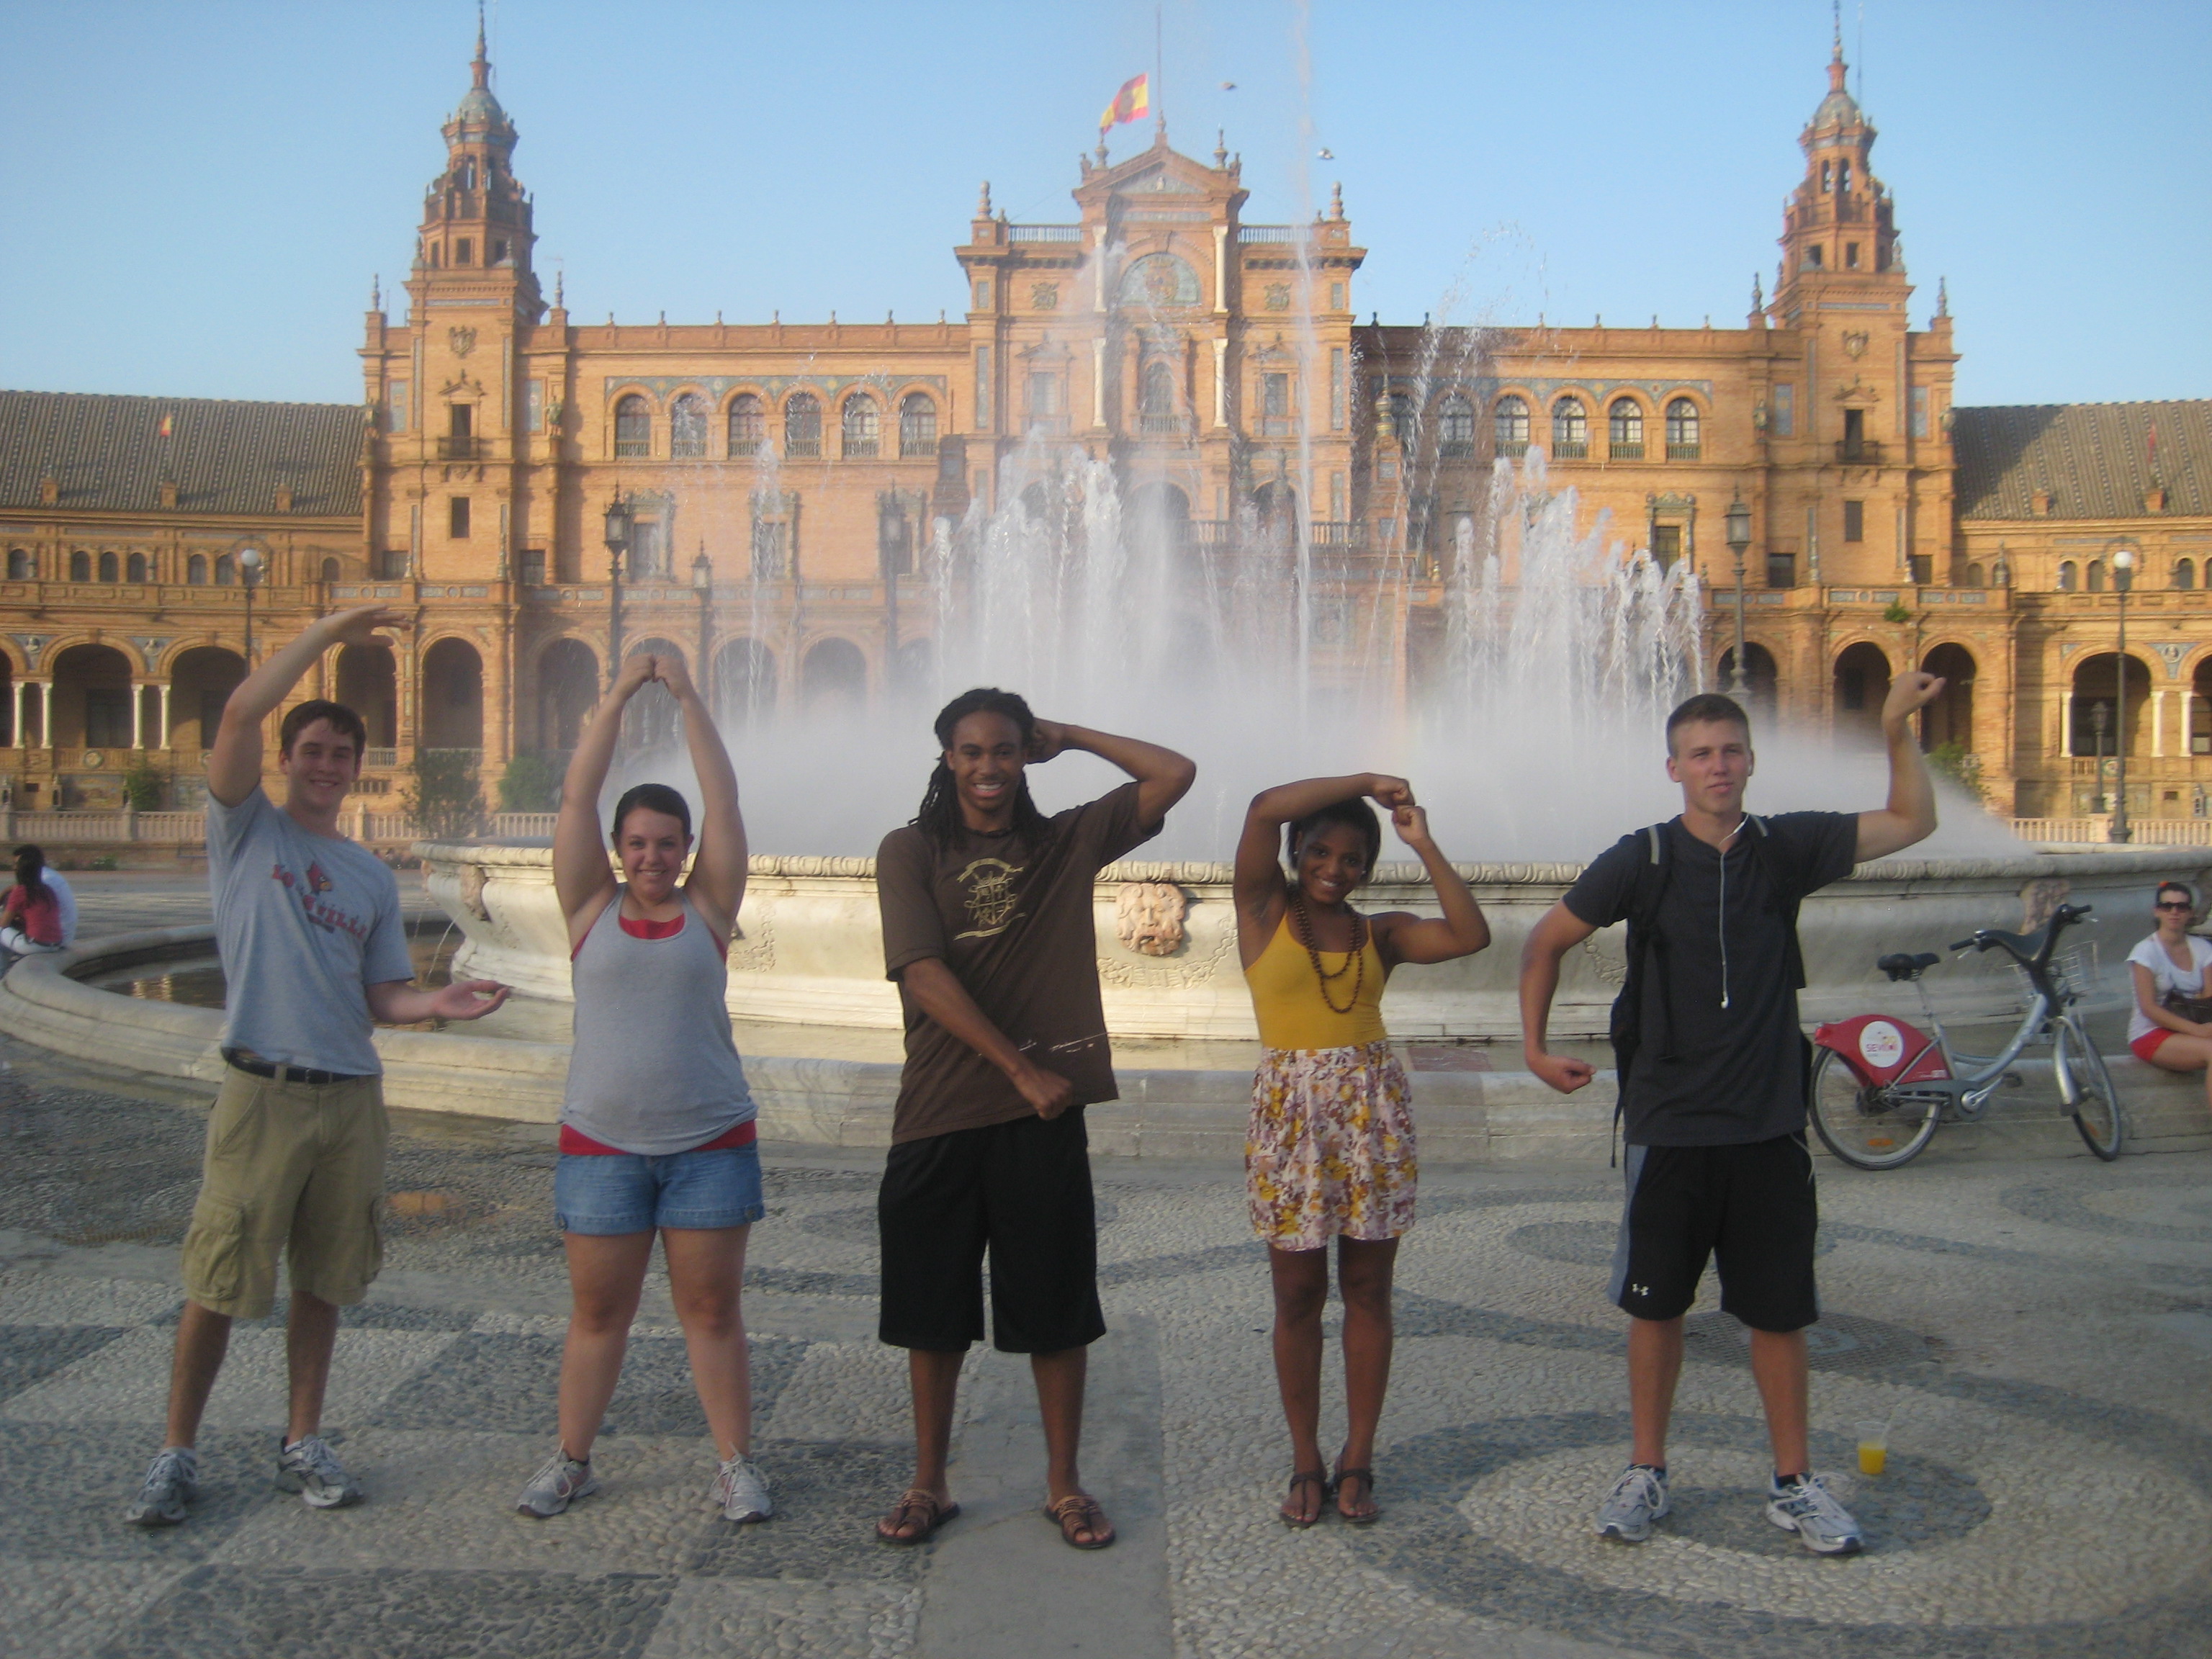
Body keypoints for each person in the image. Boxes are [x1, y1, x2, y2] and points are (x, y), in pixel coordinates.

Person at [1518, 677, 1941, 1556]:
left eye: (1732, 751)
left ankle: (1793, 1483)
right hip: (1670, 1122)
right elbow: (1546, 940)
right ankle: (1647, 1470)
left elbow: (1913, 821)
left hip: (1765, 1123)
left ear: (1751, 763)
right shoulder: (1644, 857)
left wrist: (1897, 728)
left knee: (1780, 1314)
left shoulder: (1786, 848)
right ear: (1673, 768)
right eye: (1701, 753)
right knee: (1655, 1308)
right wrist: (1534, 1045)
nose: (1718, 765)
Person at [127, 606, 511, 1527]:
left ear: (353, 767)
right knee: (218, 1279)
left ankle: (302, 1438)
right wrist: (333, 629)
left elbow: (382, 998)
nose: (328, 764)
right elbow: (236, 716)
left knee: (325, 1283)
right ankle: (176, 1450)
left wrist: (437, 1004)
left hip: (349, 1099)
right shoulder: (245, 831)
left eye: (342, 752)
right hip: (262, 1089)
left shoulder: (368, 876)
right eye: (314, 748)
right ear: (288, 757)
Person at [872, 688, 1195, 1551]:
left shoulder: (1063, 843)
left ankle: (1065, 1486)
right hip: (942, 1111)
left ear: (1025, 758)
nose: (989, 768)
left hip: (1038, 1123)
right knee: (932, 1315)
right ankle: (929, 1483)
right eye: (972, 752)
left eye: (1006, 751)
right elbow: (922, 974)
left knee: (1056, 1310)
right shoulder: (909, 851)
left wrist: (1073, 736)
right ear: (947, 759)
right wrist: (1020, 1068)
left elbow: (1176, 773)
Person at [516, 651, 772, 1525]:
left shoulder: (710, 907)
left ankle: (736, 1464)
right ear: (617, 851)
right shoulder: (590, 906)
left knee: (711, 1310)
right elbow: (576, 800)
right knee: (598, 1312)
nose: (654, 856)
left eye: (669, 844)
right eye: (639, 844)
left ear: (686, 850)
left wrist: (694, 697)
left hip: (710, 1143)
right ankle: (571, 1458)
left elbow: (727, 802)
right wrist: (620, 693)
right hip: (601, 1146)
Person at [1233, 775, 1491, 1527]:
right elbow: (1260, 808)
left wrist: (1421, 839)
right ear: (1296, 853)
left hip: (1371, 1115)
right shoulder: (1263, 911)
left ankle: (1358, 1459)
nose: (1334, 868)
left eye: (1352, 858)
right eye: (1319, 851)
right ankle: (1305, 1459)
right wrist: (1365, 784)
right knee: (1296, 1296)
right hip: (1289, 1119)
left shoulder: (1380, 934)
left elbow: (1471, 935)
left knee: (1370, 1293)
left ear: (1368, 870)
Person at [2125, 881, 2212, 1112]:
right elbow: (2148, 1008)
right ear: (2157, 911)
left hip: (2193, 1026)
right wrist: (2198, 1031)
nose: (2174, 912)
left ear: (2190, 913)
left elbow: (2209, 996)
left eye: (2181, 907)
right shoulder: (2145, 952)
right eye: (2167, 906)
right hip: (2150, 1033)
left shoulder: (2202, 948)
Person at [0, 845, 68, 958]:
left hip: (35, 945)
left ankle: (1, 972)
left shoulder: (20, 891)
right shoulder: (47, 889)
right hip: (56, 944)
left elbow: (3, 924)